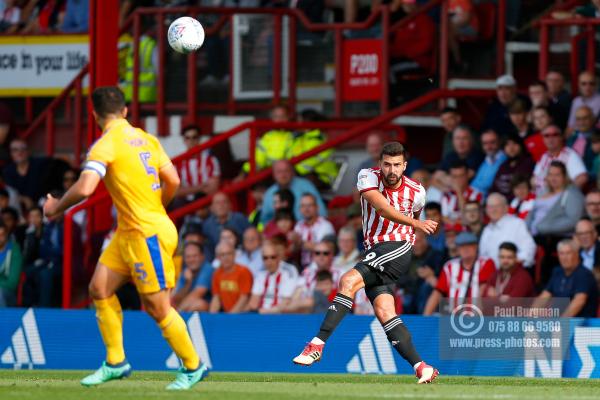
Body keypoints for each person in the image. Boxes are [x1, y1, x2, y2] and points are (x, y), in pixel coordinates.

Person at [42, 86, 207, 390]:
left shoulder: (105, 145)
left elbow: (85, 188)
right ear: (126, 111)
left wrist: (55, 208)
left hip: (147, 235)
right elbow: (173, 180)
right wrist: (158, 207)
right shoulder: (146, 139)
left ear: (95, 116)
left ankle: (193, 366)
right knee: (99, 289)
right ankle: (116, 361)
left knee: (158, 308)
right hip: (131, 231)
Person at [292, 142, 440, 384]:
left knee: (347, 280)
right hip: (375, 248)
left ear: (404, 166)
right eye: (387, 164)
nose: (391, 170)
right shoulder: (367, 176)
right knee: (385, 312)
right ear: (380, 164)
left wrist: (413, 229)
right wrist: (417, 224)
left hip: (398, 246)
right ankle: (422, 366)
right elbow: (381, 208)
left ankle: (316, 345)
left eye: (397, 165)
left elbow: (413, 218)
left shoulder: (417, 191)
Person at [423, 232, 496, 315]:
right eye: (462, 246)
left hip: (478, 316)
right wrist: (425, 317)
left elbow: (483, 290)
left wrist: (474, 313)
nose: (465, 249)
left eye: (469, 245)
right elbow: (437, 293)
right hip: (453, 317)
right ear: (457, 249)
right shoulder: (450, 266)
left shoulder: (486, 263)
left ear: (476, 247)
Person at [534, 239, 598, 317]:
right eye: (561, 253)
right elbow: (545, 296)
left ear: (576, 254)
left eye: (568, 253)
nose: (564, 257)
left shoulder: (584, 275)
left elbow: (578, 302)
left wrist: (560, 324)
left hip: (583, 324)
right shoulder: (557, 272)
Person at [479, 193, 536, 268]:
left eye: (497, 206)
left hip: (513, 272)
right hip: (492, 275)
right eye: (490, 207)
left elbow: (528, 250)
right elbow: (482, 256)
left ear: (506, 208)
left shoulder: (517, 224)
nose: (493, 210)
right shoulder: (487, 229)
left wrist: (511, 264)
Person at [261, 160, 327, 224]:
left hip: (306, 229)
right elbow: (265, 220)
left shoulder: (306, 186)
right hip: (280, 232)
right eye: (279, 172)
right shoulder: (269, 193)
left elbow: (322, 212)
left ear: (292, 172)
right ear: (274, 175)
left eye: (286, 171)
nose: (283, 175)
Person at [532, 125, 588, 195]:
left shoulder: (570, 154)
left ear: (561, 137)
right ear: (543, 139)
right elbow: (534, 178)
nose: (551, 139)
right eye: (547, 136)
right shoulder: (544, 156)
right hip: (541, 198)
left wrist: (564, 194)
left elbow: (582, 178)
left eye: (555, 135)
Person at [245, 241, 297, 314]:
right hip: (262, 315)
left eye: (273, 257)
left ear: (278, 257)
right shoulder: (260, 274)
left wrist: (266, 312)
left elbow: (286, 302)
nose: (269, 261)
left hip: (280, 315)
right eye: (265, 258)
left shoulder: (288, 272)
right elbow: (254, 301)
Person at [241, 105, 294, 176]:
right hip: (269, 173)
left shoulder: (295, 136)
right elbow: (258, 160)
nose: (280, 119)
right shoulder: (267, 137)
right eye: (276, 117)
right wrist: (244, 172)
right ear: (272, 119)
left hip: (289, 173)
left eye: (283, 116)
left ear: (288, 117)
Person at [176, 125, 221, 203]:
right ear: (184, 140)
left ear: (199, 139)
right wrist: (201, 186)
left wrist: (187, 190)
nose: (191, 141)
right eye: (188, 138)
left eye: (194, 137)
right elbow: (176, 192)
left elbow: (213, 188)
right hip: (186, 202)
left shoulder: (211, 160)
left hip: (206, 200)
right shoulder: (178, 162)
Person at [3, 138, 48, 210]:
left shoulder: (40, 165)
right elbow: (11, 193)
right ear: (11, 153)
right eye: (15, 150)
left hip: (41, 203)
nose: (19, 153)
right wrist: (24, 199)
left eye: (23, 149)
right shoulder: (8, 171)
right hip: (18, 207)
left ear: (28, 151)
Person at [209, 241, 253, 314]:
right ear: (218, 257)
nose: (226, 257)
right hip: (228, 314)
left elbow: (244, 298)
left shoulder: (243, 271)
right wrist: (211, 317)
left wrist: (230, 317)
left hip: (244, 314)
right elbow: (216, 298)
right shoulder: (217, 274)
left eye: (229, 253)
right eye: (222, 255)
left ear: (234, 255)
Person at [293, 193, 335, 269]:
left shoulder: (326, 225)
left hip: (321, 267)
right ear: (300, 209)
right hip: (303, 267)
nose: (306, 209)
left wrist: (300, 242)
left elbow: (326, 249)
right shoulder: (298, 226)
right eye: (303, 206)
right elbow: (293, 249)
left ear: (317, 207)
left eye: (310, 205)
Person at [202, 192, 250, 257]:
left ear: (230, 205)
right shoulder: (207, 225)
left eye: (224, 202)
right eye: (217, 203)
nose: (221, 205)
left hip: (242, 256)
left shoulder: (239, 219)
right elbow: (208, 248)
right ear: (212, 207)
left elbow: (250, 236)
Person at [490, 134, 535, 201]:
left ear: (520, 145)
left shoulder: (528, 163)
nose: (511, 148)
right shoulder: (503, 165)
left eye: (514, 143)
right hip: (500, 202)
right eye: (507, 144)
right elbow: (494, 187)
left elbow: (523, 189)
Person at [172, 242, 213, 312]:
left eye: (195, 256)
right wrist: (188, 283)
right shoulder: (185, 271)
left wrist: (179, 314)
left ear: (202, 256)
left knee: (199, 304)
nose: (191, 260)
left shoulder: (207, 268)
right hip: (188, 310)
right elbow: (176, 299)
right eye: (188, 257)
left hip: (211, 313)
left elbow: (198, 293)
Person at [470, 129, 507, 196]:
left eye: (492, 142)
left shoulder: (505, 159)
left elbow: (489, 183)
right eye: (485, 143)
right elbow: (473, 185)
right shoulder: (486, 161)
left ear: (499, 142)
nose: (489, 146)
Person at [566, 105, 597, 172]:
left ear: (592, 119)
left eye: (585, 118)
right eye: (578, 119)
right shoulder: (571, 138)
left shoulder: (598, 138)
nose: (581, 122)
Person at [0, 221, 21, 307]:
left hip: (7, 292)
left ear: (7, 235)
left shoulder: (14, 250)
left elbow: (13, 282)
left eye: (2, 235)